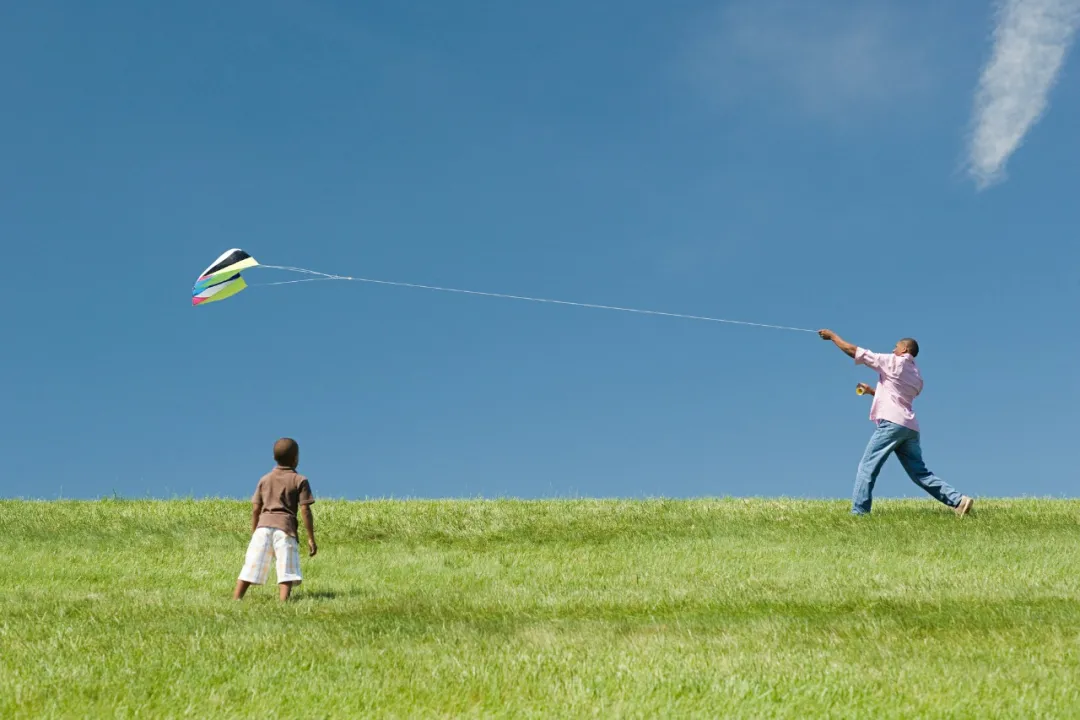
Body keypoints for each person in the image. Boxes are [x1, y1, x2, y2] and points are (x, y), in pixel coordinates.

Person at [818, 330, 973, 517]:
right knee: (920, 473)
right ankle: (958, 500)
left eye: (896, 347)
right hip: (909, 428)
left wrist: (833, 337)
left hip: (891, 425)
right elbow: (897, 398)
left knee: (867, 467)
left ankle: (859, 514)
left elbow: (853, 351)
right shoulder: (917, 377)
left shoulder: (892, 362)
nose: (893, 349)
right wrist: (872, 392)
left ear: (904, 349)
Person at [233, 438, 318, 601]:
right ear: (296, 458)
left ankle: (236, 599)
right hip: (285, 529)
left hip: (262, 528)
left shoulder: (264, 479)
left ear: (274, 458)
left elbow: (256, 509)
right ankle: (283, 602)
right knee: (287, 568)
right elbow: (305, 509)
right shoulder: (300, 480)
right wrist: (311, 538)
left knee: (251, 566)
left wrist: (254, 532)